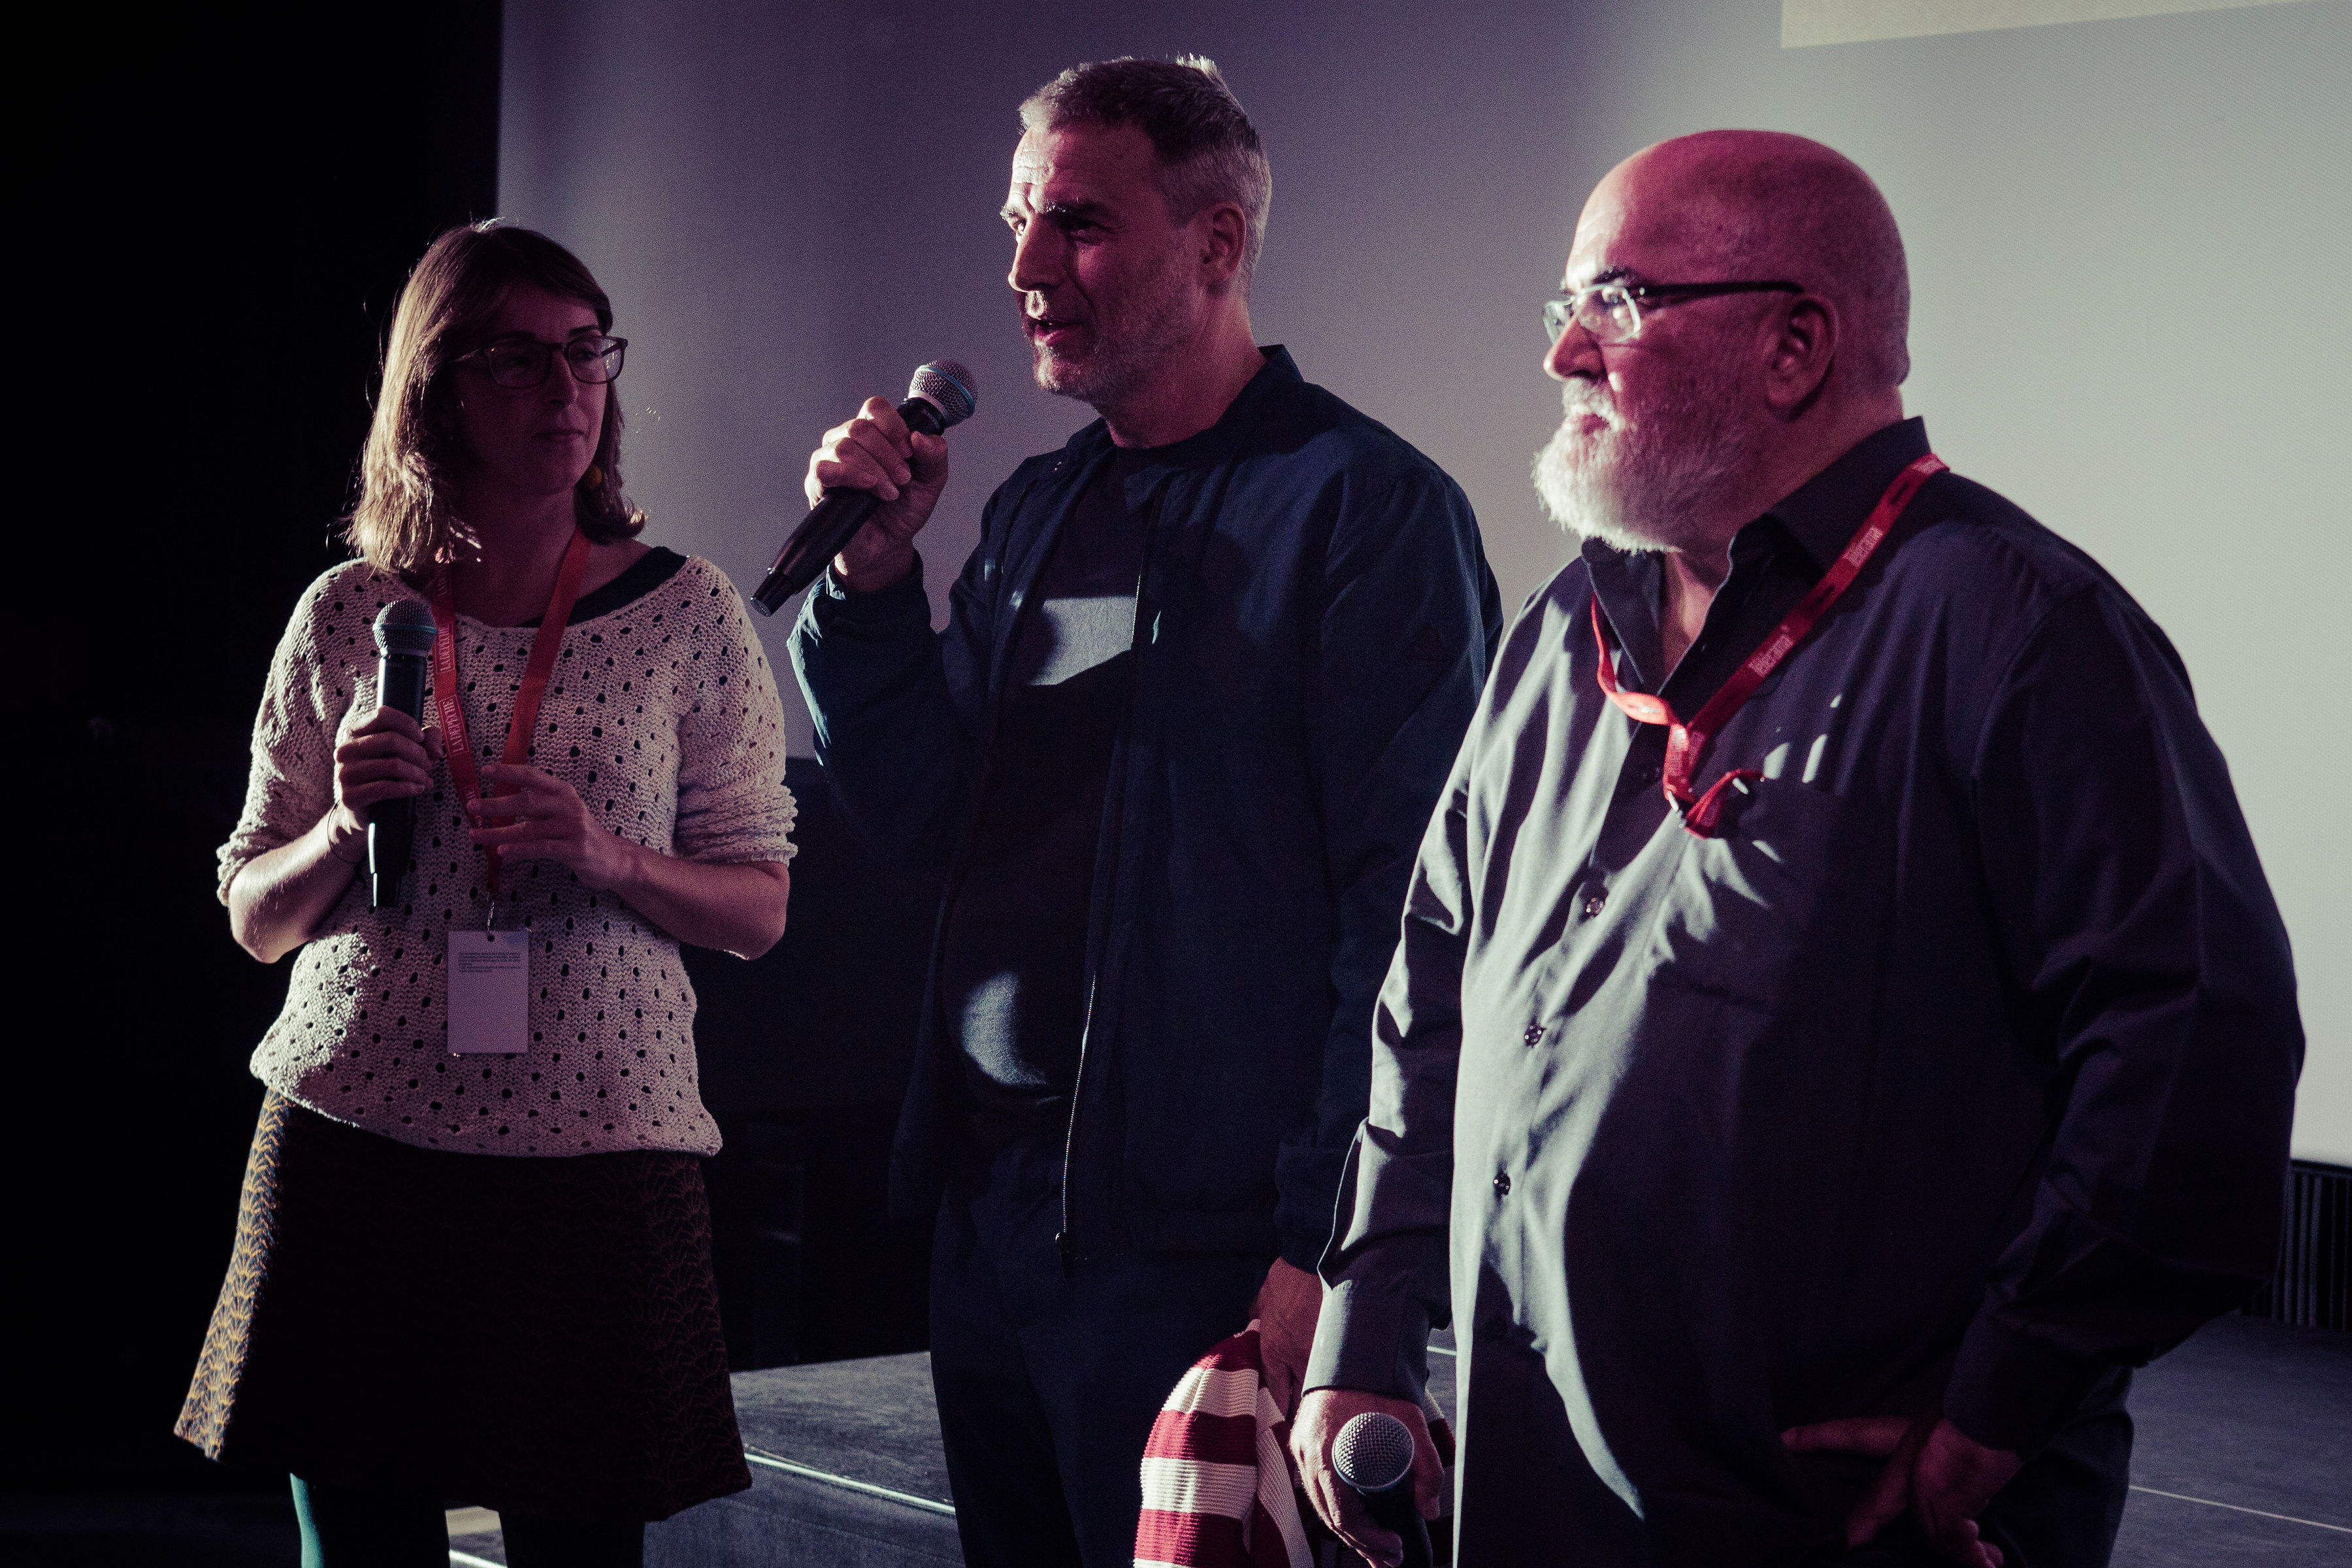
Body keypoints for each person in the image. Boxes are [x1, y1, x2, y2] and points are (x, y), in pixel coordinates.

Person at [1291, 130, 2302, 1568]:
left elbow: (2195, 1053)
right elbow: (1436, 993)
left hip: (1833, 1522)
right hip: (1530, 1487)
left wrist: (2006, 1398)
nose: (1565, 353)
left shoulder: (2018, 629)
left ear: (1795, 347)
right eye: (1565, 307)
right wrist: (1369, 1320)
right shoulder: (1563, 633)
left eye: (1618, 302)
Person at [787, 55, 1501, 1568]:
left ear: (1217, 243)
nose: (1027, 269)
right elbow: (925, 819)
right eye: (1019, 223)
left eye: (1080, 224)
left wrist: (1327, 1246)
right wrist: (869, 587)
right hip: (998, 1224)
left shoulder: (1364, 511)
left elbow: (1407, 924)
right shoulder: (1041, 507)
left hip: (1207, 1249)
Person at [177, 221, 797, 1567]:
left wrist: (613, 858)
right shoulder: (351, 610)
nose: (567, 389)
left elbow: (759, 909)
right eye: (519, 358)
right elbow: (254, 917)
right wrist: (345, 824)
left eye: (587, 353)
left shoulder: (688, 612)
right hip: (356, 1138)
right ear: (438, 391)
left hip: (597, 1156)